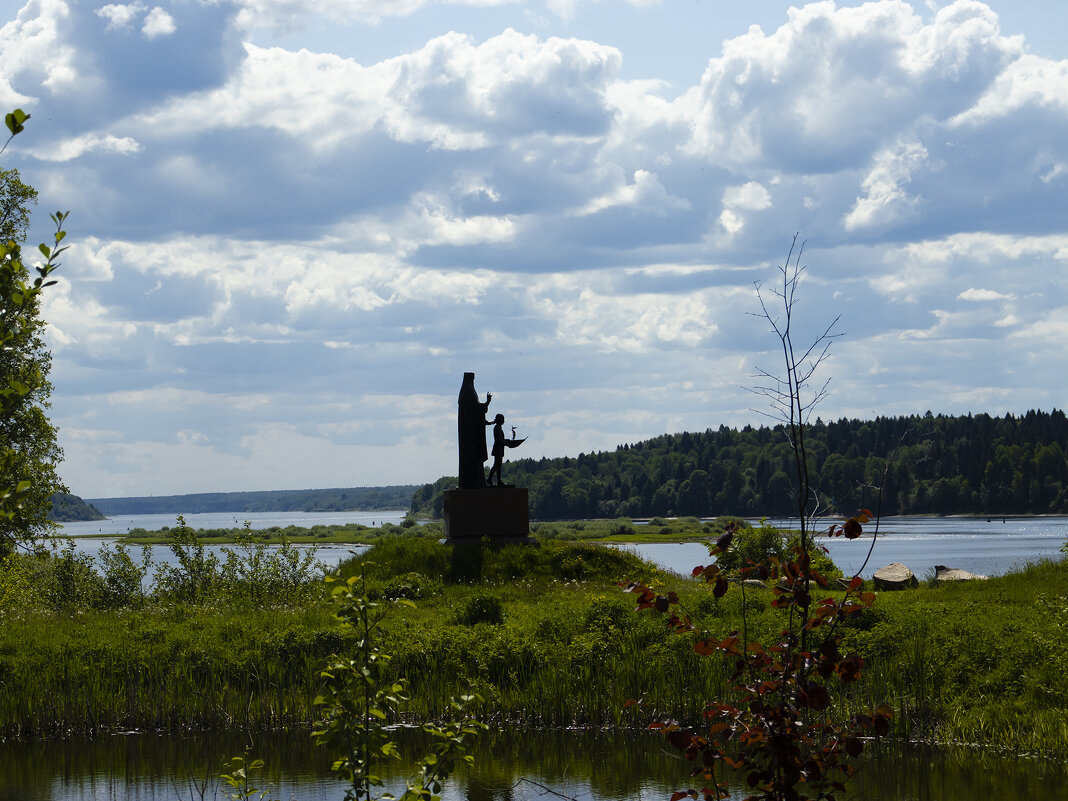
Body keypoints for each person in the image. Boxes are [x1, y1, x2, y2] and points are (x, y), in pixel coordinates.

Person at [457, 372, 492, 488]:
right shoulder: (469, 393)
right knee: (472, 459)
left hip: (469, 433)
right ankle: (473, 481)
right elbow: (475, 410)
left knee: (472, 460)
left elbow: (475, 409)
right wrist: (487, 403)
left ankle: (473, 481)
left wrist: (485, 403)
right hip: (471, 434)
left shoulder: (466, 393)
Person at [487, 413, 525, 487]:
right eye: (502, 420)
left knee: (499, 465)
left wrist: (506, 440)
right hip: (498, 449)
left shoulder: (498, 427)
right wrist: (507, 443)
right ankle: (490, 479)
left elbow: (500, 439)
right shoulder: (497, 428)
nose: (503, 421)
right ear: (500, 420)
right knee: (496, 465)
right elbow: (499, 440)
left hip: (499, 449)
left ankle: (498, 480)